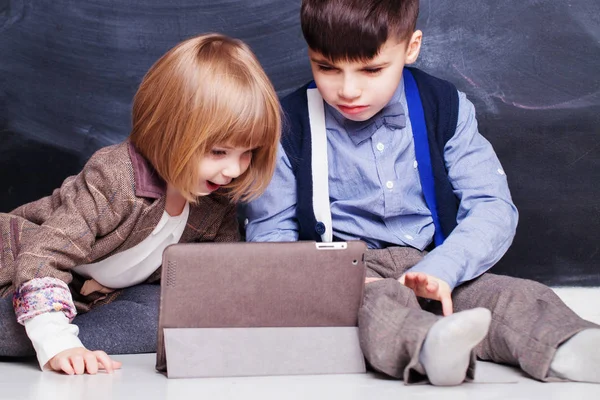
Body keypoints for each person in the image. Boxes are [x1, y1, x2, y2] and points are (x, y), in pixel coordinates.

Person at [243, 0, 600, 386]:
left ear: (411, 48)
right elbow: (270, 235)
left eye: (372, 69)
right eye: (326, 67)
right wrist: (330, 280)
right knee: (378, 304)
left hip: (436, 258)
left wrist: (443, 268)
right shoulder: (285, 123)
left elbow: (493, 207)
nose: (347, 90)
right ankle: (430, 347)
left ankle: (570, 346)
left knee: (510, 294)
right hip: (349, 271)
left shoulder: (445, 105)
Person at [0, 33, 281, 375]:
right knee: (13, 329)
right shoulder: (117, 177)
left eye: (247, 153)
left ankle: (63, 332)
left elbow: (216, 279)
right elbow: (41, 257)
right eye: (219, 152)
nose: (233, 170)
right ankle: (51, 333)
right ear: (167, 131)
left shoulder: (217, 198)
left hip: (96, 293)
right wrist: (59, 343)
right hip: (26, 265)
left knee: (161, 315)